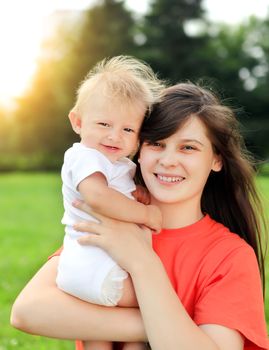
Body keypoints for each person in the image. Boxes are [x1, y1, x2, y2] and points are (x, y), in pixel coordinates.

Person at [11, 82, 269, 350]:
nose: (168, 160)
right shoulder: (111, 226)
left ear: (216, 159)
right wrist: (159, 325)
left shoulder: (229, 256)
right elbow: (27, 311)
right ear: (137, 149)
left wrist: (143, 263)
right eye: (156, 143)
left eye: (188, 148)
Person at [55, 55, 164, 350]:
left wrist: (137, 194)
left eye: (128, 130)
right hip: (96, 267)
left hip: (89, 270)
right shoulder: (83, 156)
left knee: (99, 335)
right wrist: (146, 213)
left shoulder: (116, 164)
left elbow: (118, 191)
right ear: (77, 122)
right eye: (104, 123)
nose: (115, 135)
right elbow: (99, 197)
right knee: (154, 307)